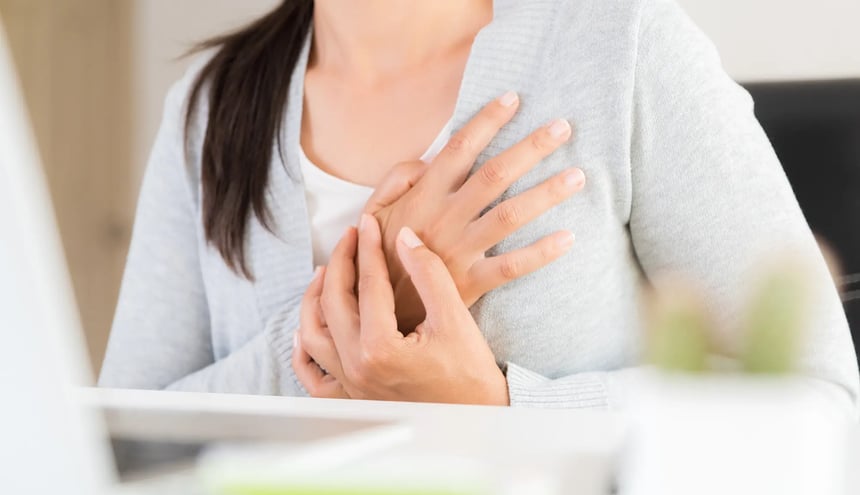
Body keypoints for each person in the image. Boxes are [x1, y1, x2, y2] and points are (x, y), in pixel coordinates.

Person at [99, 0, 859, 411]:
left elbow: (820, 401)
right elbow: (120, 439)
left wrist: (501, 407)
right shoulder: (207, 104)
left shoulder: (621, 45)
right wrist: (359, 309)